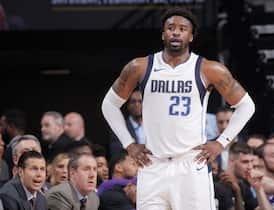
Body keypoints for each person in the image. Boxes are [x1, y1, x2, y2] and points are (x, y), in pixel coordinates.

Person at [101, 7, 255, 210]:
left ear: (191, 36)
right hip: (152, 164)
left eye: (182, 29)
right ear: (163, 34)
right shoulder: (140, 66)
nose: (176, 32)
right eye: (170, 28)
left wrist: (221, 143)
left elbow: (246, 105)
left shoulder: (208, 69)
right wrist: (129, 144)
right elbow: (109, 104)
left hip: (191, 165)